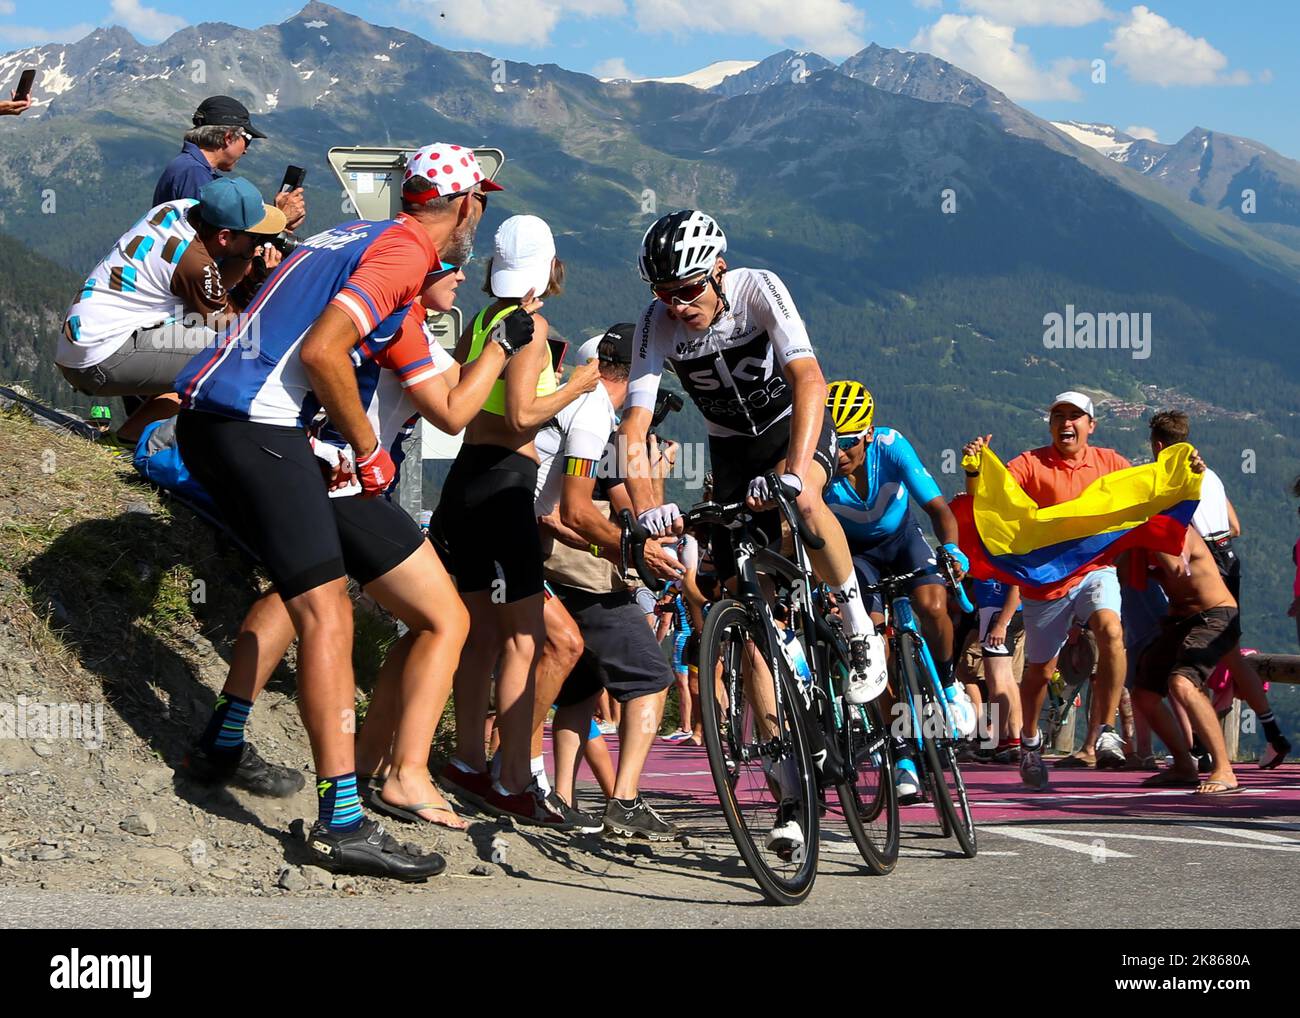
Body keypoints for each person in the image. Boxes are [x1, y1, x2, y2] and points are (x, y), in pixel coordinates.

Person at [173, 142, 497, 879]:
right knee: (328, 611)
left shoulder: (355, 238)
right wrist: (367, 445)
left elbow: (441, 405)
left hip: (230, 419)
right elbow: (323, 352)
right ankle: (341, 823)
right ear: (467, 206)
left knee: (307, 591)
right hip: (256, 425)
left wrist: (495, 354)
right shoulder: (405, 249)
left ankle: (221, 743)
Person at [619, 210, 879, 689]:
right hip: (731, 446)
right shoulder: (655, 323)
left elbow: (809, 378)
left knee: (802, 501)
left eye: (688, 290)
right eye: (663, 293)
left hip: (791, 427)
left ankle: (858, 623)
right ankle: (783, 677)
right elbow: (633, 425)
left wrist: (795, 472)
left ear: (719, 268)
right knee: (737, 584)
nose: (676, 306)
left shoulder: (757, 288)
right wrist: (646, 509)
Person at [436, 214, 601, 827]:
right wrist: (580, 385)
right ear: (550, 266)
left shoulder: (482, 320)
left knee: (479, 637)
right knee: (524, 639)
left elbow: (465, 388)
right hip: (506, 482)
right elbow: (526, 415)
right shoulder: (529, 326)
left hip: (465, 480)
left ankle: (468, 761)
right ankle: (509, 780)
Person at [532, 324, 682, 838]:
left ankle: (561, 797)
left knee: (578, 691)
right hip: (587, 573)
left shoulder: (579, 408)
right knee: (651, 677)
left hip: (557, 563)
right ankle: (626, 797)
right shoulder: (600, 419)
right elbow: (616, 511)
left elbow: (630, 510)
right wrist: (637, 549)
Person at [964, 391, 1130, 788]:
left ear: (1091, 425)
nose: (1066, 423)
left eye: (1075, 416)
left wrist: (1184, 472)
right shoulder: (1030, 463)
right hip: (1046, 580)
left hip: (1095, 569)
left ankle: (1107, 729)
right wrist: (975, 469)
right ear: (1051, 424)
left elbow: (1148, 491)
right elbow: (988, 499)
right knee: (1041, 670)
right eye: (1059, 416)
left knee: (1110, 629)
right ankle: (1030, 741)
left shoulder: (1111, 463)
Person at [822, 380, 974, 797]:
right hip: (856, 554)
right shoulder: (820, 463)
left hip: (902, 539)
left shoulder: (890, 447)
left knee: (932, 602)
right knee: (870, 644)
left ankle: (946, 683)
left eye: (849, 443)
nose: (839, 453)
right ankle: (901, 746)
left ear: (868, 435)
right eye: (833, 442)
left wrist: (952, 550)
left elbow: (939, 509)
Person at [57, 178, 287, 441]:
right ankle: (128, 441)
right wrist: (263, 280)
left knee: (197, 339)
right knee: (235, 352)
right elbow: (233, 326)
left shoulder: (178, 209)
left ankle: (132, 435)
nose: (259, 242)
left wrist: (245, 251)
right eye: (254, 236)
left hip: (82, 342)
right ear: (224, 236)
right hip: (99, 360)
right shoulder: (194, 263)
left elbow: (214, 288)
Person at [1148, 413, 1290, 768]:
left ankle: (1198, 748)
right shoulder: (1211, 476)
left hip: (1202, 565)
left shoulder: (1173, 479)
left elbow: (1175, 540)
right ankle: (1272, 733)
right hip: (1228, 554)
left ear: (1158, 446)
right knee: (1228, 652)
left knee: (1188, 656)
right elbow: (1236, 527)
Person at [1131, 527, 1247, 795]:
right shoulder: (1136, 534)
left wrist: (1148, 536)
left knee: (1182, 683)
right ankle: (1184, 766)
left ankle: (1224, 770)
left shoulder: (1177, 529)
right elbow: (1132, 580)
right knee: (1144, 694)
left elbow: (1176, 569)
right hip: (1178, 620)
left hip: (1215, 615)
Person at [153, 95, 304, 231]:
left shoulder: (189, 166)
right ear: (229, 138)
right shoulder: (195, 173)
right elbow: (212, 240)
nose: (245, 151)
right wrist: (281, 221)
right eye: (248, 140)